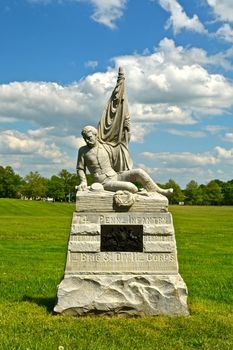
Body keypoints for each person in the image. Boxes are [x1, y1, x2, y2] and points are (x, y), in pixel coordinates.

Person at [76, 125, 173, 195]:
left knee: (139, 172)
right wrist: (83, 182)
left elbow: (120, 145)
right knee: (131, 187)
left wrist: (125, 133)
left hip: (116, 175)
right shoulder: (83, 151)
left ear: (96, 135)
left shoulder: (106, 147)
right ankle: (138, 192)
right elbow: (80, 169)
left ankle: (158, 191)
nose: (87, 141)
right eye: (85, 139)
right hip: (104, 182)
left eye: (89, 138)